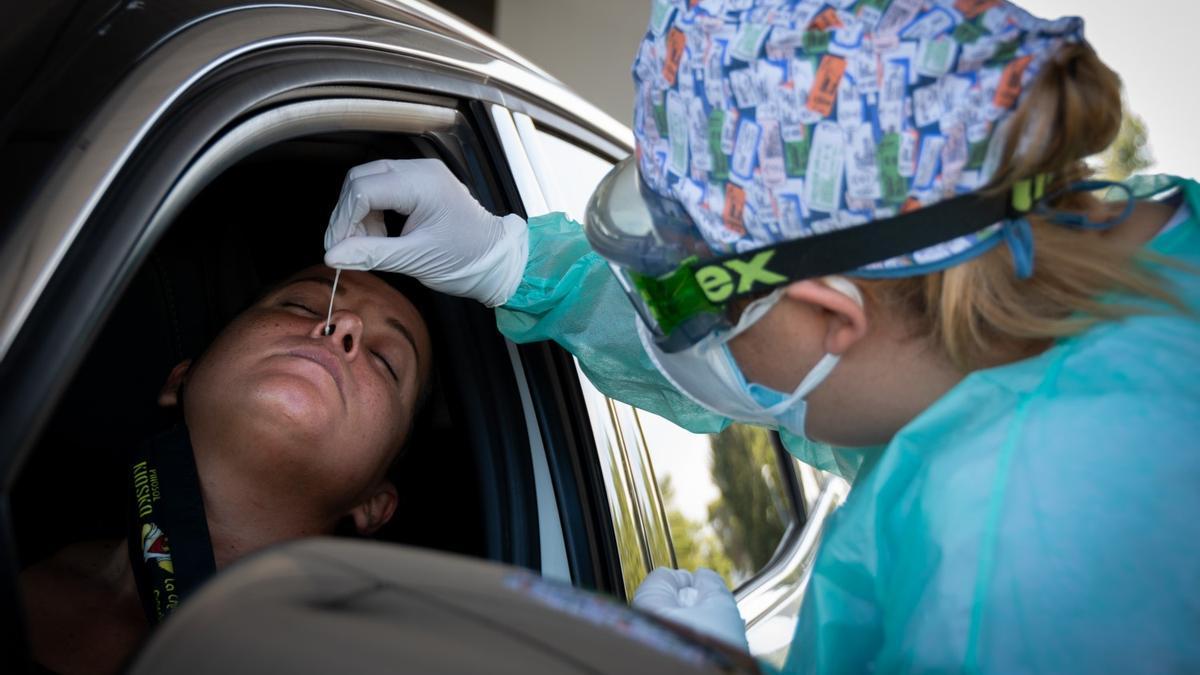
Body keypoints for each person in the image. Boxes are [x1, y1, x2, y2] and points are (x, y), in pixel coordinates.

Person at [322, 0, 1200, 671]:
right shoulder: (1066, 266)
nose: (667, 329)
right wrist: (510, 262)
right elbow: (762, 300)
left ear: (836, 314)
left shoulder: (1021, 561)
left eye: (679, 298)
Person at [19, 265, 433, 675]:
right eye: (303, 306)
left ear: (375, 503)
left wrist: (500, 276)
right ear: (182, 379)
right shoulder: (22, 536)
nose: (343, 324)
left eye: (385, 359)